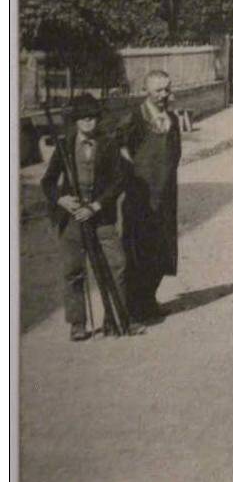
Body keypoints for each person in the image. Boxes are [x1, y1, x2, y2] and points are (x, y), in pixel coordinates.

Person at [41, 93, 143, 340]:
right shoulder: (65, 146)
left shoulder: (108, 144)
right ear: (75, 121)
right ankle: (77, 324)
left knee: (117, 265)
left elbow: (119, 181)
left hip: (101, 217)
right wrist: (61, 199)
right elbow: (48, 182)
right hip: (72, 218)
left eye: (93, 118)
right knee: (74, 271)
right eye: (83, 119)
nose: (89, 123)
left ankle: (118, 319)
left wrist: (96, 206)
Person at [121, 70, 182, 323]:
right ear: (147, 91)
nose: (163, 95)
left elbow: (175, 153)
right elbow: (122, 149)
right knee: (139, 252)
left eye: (166, 89)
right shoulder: (134, 118)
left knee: (162, 251)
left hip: (165, 197)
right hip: (141, 198)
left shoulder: (172, 120)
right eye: (158, 90)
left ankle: (149, 300)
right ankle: (134, 308)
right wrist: (134, 181)